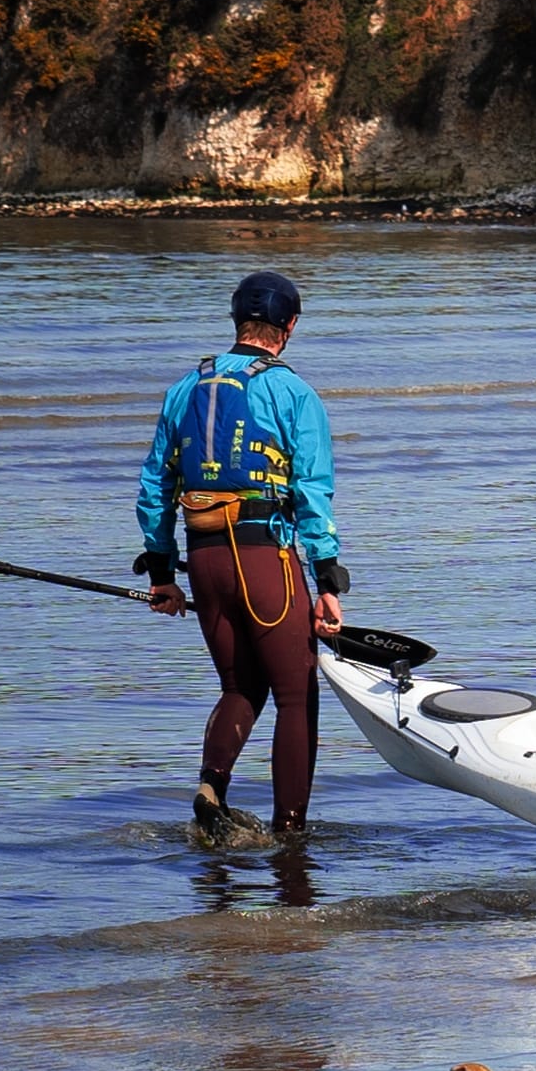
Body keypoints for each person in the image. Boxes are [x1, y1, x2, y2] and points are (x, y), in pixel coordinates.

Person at [136, 271, 350, 840]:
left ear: (238, 321)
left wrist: (162, 573)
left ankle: (212, 790)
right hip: (265, 562)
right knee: (296, 694)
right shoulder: (294, 393)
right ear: (291, 327)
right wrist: (327, 579)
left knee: (240, 687)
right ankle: (290, 838)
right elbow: (311, 491)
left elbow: (153, 487)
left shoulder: (183, 388)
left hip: (203, 557)